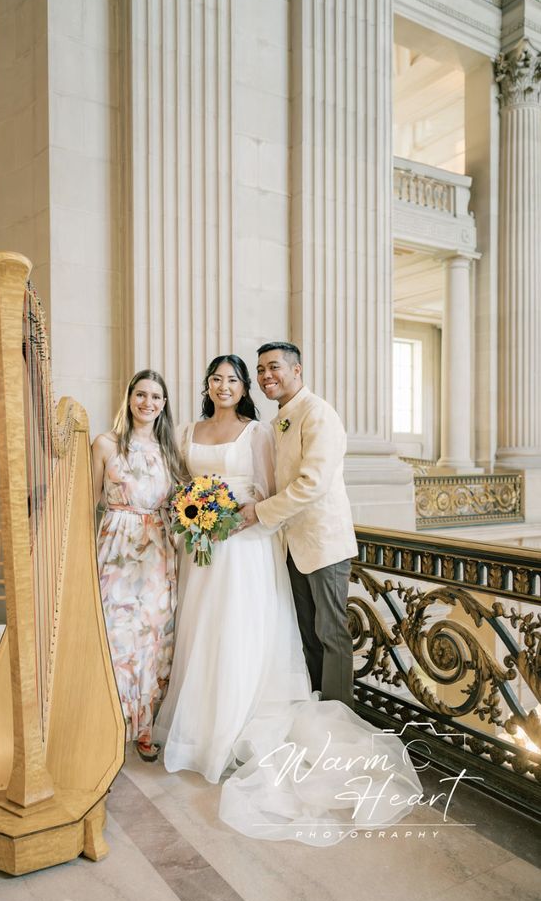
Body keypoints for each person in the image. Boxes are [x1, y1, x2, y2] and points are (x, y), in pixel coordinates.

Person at [154, 354, 421, 845]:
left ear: (295, 370)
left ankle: (335, 723)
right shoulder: (253, 423)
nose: (232, 384)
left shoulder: (305, 416)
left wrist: (247, 515)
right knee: (237, 631)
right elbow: (182, 484)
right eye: (220, 378)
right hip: (226, 542)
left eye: (243, 376)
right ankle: (213, 719)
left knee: (317, 632)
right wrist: (193, 514)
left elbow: (291, 486)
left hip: (287, 538)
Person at [239, 342, 357, 708]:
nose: (265, 376)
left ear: (296, 370)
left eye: (273, 367)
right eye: (260, 370)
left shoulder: (318, 413)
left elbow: (313, 482)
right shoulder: (279, 419)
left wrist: (260, 511)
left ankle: (340, 716)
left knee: (331, 633)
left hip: (323, 542)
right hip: (291, 544)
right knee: (308, 632)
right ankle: (317, 707)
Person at [92, 370, 184, 761]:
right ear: (129, 397)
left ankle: (145, 727)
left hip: (158, 552)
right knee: (114, 636)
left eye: (156, 397)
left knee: (153, 638)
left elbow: (179, 504)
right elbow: (86, 503)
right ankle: (109, 724)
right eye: (141, 394)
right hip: (115, 546)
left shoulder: (170, 449)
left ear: (164, 405)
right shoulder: (105, 444)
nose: (148, 403)